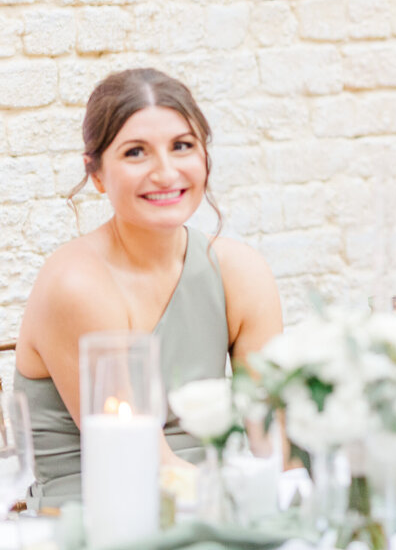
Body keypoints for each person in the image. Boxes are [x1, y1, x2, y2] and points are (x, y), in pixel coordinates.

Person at [14, 69, 283, 508]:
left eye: (182, 146)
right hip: (95, 518)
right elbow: (146, 463)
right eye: (136, 152)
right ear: (96, 174)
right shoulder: (76, 284)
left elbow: (271, 438)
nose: (165, 172)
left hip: (212, 504)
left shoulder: (241, 271)